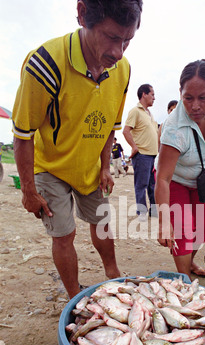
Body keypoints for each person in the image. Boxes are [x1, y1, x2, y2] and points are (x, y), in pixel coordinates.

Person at [11, 0, 143, 299]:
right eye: (111, 37)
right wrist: (29, 190)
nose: (118, 52)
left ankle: (112, 272)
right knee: (64, 232)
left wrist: (106, 166)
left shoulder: (122, 69)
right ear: (83, 15)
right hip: (50, 166)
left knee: (101, 221)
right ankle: (74, 296)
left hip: (89, 167)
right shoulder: (45, 63)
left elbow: (111, 124)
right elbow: (23, 134)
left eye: (127, 40)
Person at [155, 59, 205, 278]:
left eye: (203, 97)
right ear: (180, 93)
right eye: (188, 98)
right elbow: (163, 180)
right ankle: (184, 279)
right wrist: (163, 221)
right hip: (174, 180)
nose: (195, 106)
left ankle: (189, 262)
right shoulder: (174, 128)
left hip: (200, 179)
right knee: (182, 227)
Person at [123, 84, 158, 221]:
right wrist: (134, 147)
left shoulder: (149, 114)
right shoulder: (135, 111)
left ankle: (154, 211)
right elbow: (126, 131)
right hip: (142, 155)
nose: (154, 98)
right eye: (152, 94)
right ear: (144, 94)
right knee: (141, 185)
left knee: (152, 185)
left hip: (152, 155)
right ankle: (141, 212)